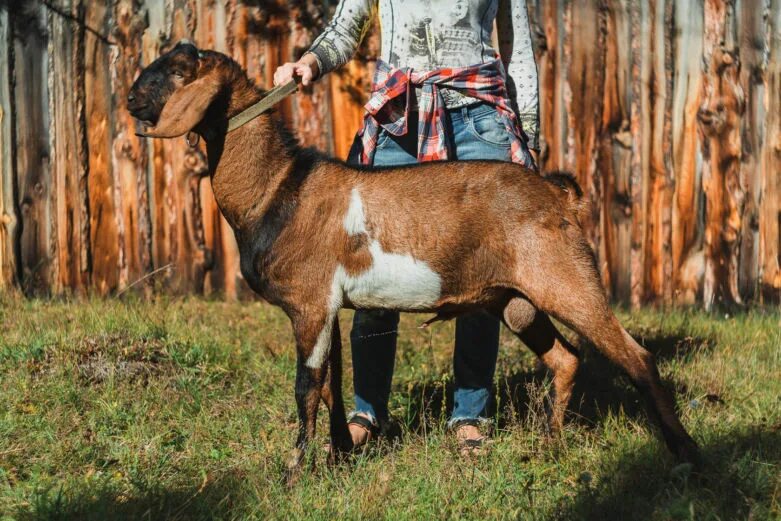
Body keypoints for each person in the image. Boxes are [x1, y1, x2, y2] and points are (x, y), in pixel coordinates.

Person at [274, 0, 539, 453]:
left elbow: (518, 47)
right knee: (370, 265)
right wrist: (311, 63)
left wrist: (527, 132)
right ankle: (368, 411)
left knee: (479, 272)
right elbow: (347, 25)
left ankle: (470, 413)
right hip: (400, 118)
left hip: (478, 117)